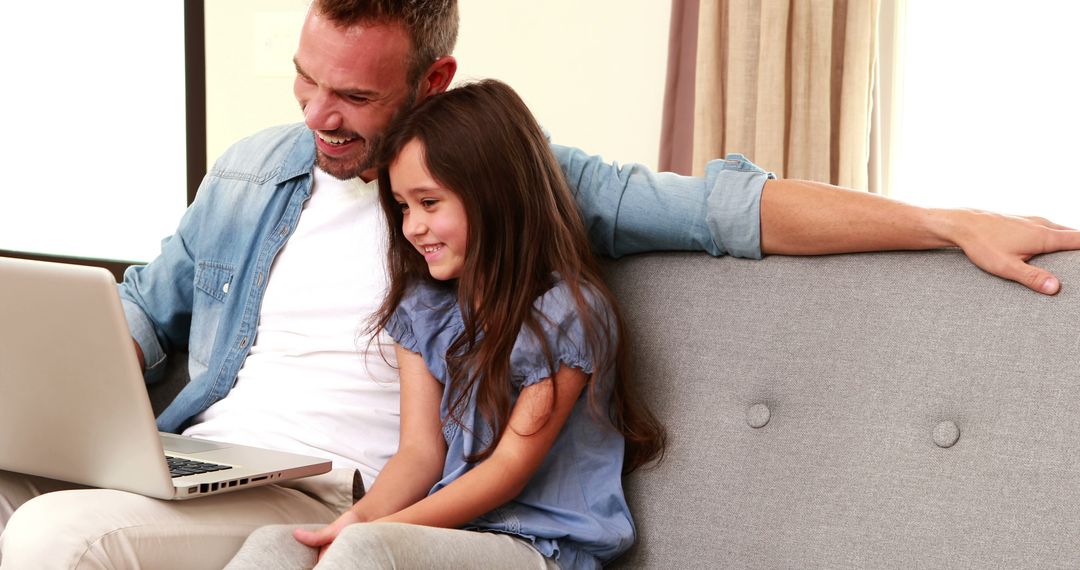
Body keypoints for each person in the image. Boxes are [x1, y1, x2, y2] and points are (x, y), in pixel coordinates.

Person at [1, 0, 1078, 567]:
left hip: (336, 486)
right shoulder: (249, 168)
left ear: (433, 83)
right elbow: (140, 312)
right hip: (192, 456)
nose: (317, 115)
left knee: (58, 541)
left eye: (353, 96)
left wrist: (942, 220)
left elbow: (726, 209)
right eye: (306, 79)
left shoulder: (517, 188)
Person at [229, 78, 666, 569]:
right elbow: (418, 454)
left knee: (367, 548)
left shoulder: (568, 315)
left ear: (494, 196)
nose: (412, 226)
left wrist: (378, 531)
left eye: (429, 203)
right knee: (279, 544)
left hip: (540, 548)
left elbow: (507, 471)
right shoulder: (425, 308)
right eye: (402, 206)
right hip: (454, 536)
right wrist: (359, 518)